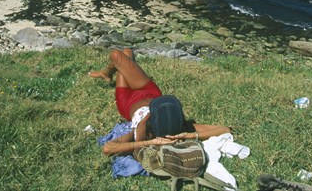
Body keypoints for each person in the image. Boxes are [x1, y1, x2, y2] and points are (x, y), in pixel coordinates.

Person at [89, 49, 231, 155]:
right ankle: (107, 72)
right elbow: (225, 130)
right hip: (149, 90)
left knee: (118, 56)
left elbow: (108, 148)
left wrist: (150, 142)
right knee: (126, 54)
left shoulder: (140, 133)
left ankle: (106, 73)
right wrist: (189, 135)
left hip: (127, 101)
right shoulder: (178, 125)